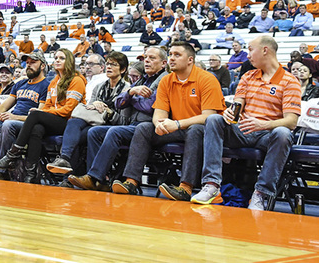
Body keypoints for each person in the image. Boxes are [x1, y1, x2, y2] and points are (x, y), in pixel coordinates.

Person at [191, 36, 300, 210]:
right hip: (242, 130)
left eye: (250, 49)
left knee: (284, 133)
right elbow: (238, 105)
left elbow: (291, 121)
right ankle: (211, 184)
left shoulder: (289, 81)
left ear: (265, 50)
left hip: (267, 134)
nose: (247, 55)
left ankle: (260, 194)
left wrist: (263, 125)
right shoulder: (248, 76)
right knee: (214, 119)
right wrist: (230, 113)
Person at [111, 42, 224, 200]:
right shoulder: (166, 81)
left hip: (202, 130)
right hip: (175, 128)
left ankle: (185, 187)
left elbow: (209, 116)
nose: (171, 58)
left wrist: (176, 124)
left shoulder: (207, 79)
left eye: (177, 55)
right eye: (170, 54)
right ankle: (131, 182)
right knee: (144, 128)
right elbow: (159, 113)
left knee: (195, 129)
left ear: (190, 60)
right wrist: (159, 124)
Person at [67, 48, 167, 192]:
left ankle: (94, 177)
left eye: (152, 58)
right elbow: (118, 102)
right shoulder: (142, 79)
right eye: (146, 58)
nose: (147, 61)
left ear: (163, 63)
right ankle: (97, 180)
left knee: (115, 132)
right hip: (133, 124)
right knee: (94, 132)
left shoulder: (164, 79)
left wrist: (131, 97)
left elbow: (149, 106)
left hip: (148, 126)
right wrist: (132, 93)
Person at [0, 49, 86, 183]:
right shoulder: (54, 82)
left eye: (62, 58)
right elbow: (47, 105)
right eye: (56, 57)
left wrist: (43, 113)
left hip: (70, 123)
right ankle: (32, 174)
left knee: (35, 116)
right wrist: (44, 112)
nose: (57, 60)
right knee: (37, 129)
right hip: (56, 119)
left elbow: (69, 110)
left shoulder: (77, 80)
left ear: (69, 61)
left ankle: (12, 154)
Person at [46, 51, 130, 175]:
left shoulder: (127, 89)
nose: (109, 67)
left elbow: (124, 121)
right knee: (74, 122)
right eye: (108, 64)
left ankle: (76, 174)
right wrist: (94, 105)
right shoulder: (99, 87)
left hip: (111, 124)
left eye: (113, 64)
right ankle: (65, 160)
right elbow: (88, 110)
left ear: (122, 70)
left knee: (78, 136)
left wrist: (109, 111)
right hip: (94, 121)